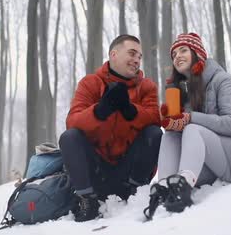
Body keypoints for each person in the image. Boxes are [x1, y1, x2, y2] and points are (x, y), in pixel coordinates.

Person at [152, 32, 231, 214]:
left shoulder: (222, 80)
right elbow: (191, 138)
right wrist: (173, 123)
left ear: (197, 53)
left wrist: (190, 118)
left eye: (183, 50)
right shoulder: (184, 89)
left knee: (192, 129)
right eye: (174, 54)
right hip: (215, 160)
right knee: (171, 136)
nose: (177, 56)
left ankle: (183, 187)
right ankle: (165, 187)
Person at [59, 34, 162, 222]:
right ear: (113, 54)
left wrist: (130, 111)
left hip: (128, 172)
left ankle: (135, 192)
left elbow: (155, 117)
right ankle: (87, 200)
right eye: (132, 54)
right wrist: (100, 111)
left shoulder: (146, 86)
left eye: (139, 56)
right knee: (69, 137)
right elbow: (72, 122)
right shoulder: (90, 83)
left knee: (154, 132)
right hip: (96, 173)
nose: (137, 60)